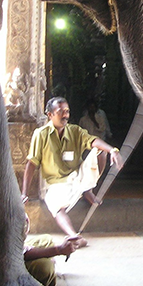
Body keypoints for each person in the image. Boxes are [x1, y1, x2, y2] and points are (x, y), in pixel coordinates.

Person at [21, 96, 124, 247]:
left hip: (78, 177)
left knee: (100, 152)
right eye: (60, 111)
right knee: (56, 206)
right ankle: (74, 236)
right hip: (55, 183)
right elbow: (31, 164)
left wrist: (113, 150)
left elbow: (94, 141)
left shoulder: (75, 130)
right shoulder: (41, 134)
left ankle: (88, 190)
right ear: (50, 115)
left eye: (67, 111)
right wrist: (24, 193)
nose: (65, 115)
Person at [23, 214, 80, 286]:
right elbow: (18, 252)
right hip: (10, 264)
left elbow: (22, 246)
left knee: (46, 239)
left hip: (18, 248)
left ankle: (48, 260)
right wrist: (58, 250)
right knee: (44, 268)